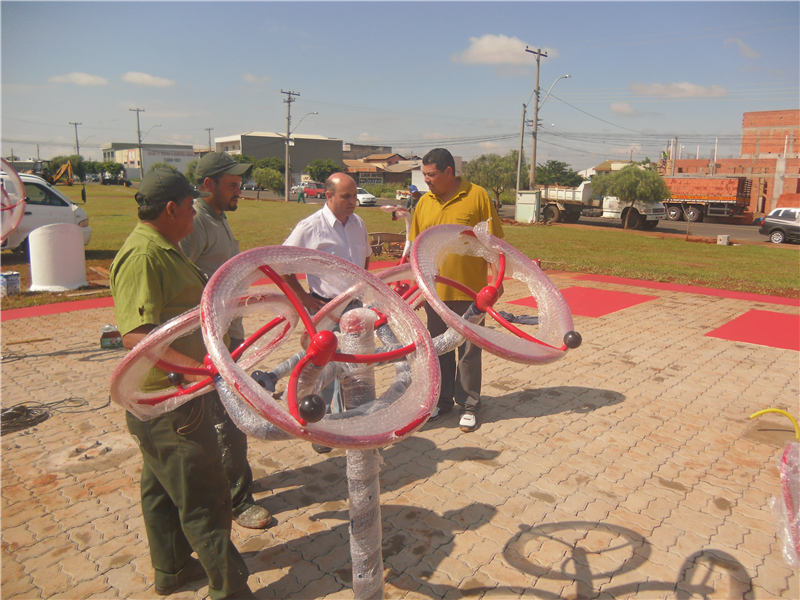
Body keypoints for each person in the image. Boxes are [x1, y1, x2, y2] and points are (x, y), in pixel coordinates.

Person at [109, 168, 254, 599]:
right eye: (190, 208)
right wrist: (206, 371)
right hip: (170, 400)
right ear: (170, 209)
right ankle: (230, 590)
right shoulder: (144, 256)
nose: (194, 216)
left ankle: (172, 568)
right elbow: (137, 336)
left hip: (164, 400)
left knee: (160, 487)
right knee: (206, 498)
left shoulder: (163, 248)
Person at [178, 152, 273, 530]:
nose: (240, 191)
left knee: (232, 414)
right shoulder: (196, 223)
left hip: (229, 332)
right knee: (228, 419)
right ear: (208, 186)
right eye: (232, 185)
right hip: (211, 339)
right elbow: (185, 282)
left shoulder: (217, 218)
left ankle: (234, 479)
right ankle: (237, 499)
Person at [408, 148, 504, 433]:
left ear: (449, 171)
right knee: (440, 349)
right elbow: (416, 247)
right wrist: (417, 289)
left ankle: (470, 404)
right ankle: (443, 400)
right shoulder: (424, 202)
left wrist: (495, 284)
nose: (427, 180)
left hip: (470, 291)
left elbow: (494, 245)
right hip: (434, 292)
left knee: (469, 350)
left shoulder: (477, 197)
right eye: (424, 174)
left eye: (431, 174)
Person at [282, 172, 372, 453]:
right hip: (325, 309)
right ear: (328, 195)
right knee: (321, 374)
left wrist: (361, 284)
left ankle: (346, 424)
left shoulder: (358, 224)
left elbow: (366, 255)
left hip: (354, 310)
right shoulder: (311, 227)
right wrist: (303, 297)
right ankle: (319, 430)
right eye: (346, 196)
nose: (353, 201)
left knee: (354, 370)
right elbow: (283, 263)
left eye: (354, 195)